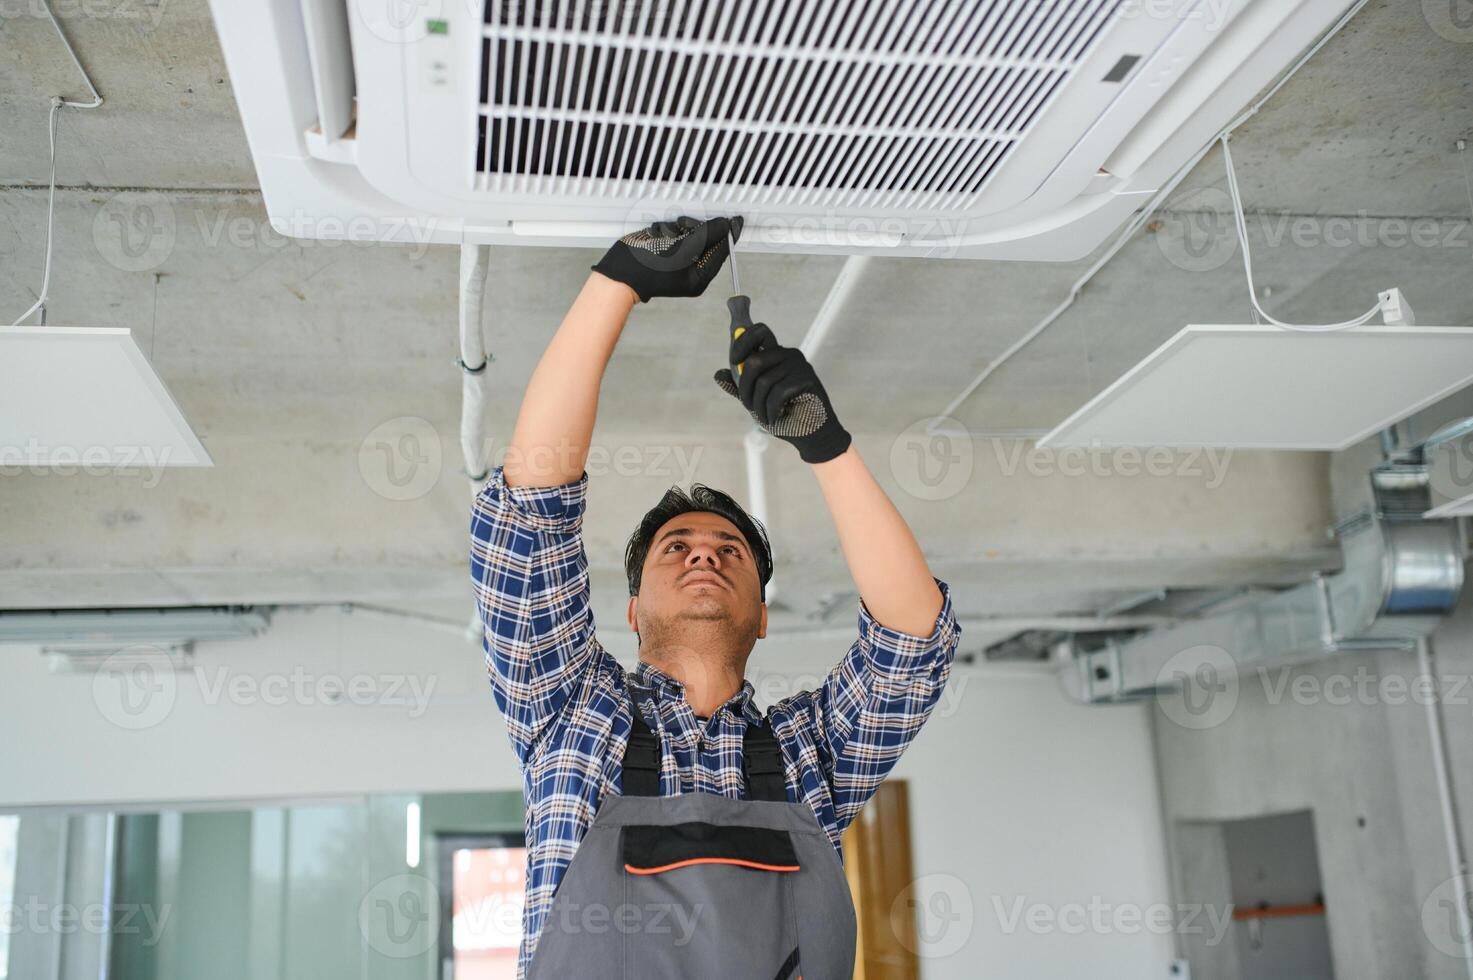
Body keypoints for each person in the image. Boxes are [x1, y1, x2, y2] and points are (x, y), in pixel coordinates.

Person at [469, 216, 961, 979]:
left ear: (762, 616)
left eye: (729, 552)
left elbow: (912, 639)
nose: (704, 553)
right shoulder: (567, 709)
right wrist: (616, 281)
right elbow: (530, 514)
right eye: (678, 549)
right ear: (631, 612)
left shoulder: (808, 753)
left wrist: (822, 444)